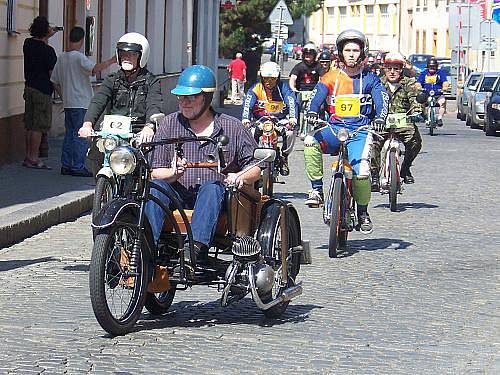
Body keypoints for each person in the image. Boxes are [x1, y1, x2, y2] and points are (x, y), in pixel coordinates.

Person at [144, 65, 261, 271]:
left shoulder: (232, 127)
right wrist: (174, 173)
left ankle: (194, 250)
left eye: (191, 98)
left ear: (207, 99)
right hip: (178, 194)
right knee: (155, 187)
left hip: (219, 199)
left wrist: (238, 175)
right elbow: (156, 171)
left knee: (212, 186)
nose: (184, 103)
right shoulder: (169, 124)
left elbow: (256, 167)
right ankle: (146, 250)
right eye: (181, 98)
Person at [303, 29, 389, 234]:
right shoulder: (330, 77)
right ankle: (316, 190)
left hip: (361, 131)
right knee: (309, 141)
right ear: (340, 53)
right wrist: (312, 112)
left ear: (362, 52)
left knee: (362, 173)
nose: (351, 54)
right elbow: (316, 98)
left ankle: (362, 212)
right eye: (347, 50)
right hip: (334, 129)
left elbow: (382, 100)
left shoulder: (370, 79)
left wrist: (379, 118)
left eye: (355, 50)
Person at [78, 32, 163, 175]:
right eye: (123, 54)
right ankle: (102, 186)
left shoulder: (151, 82)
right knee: (95, 152)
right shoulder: (112, 80)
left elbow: (154, 104)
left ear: (141, 57)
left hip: (138, 132)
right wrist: (87, 123)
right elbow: (98, 101)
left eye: (132, 54)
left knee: (148, 165)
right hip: (113, 133)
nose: (127, 58)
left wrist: (149, 126)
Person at [51, 27, 116, 177]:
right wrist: (112, 61)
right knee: (80, 136)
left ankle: (66, 165)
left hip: (69, 103)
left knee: (69, 135)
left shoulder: (62, 57)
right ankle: (78, 166)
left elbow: (54, 81)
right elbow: (94, 69)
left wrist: (63, 96)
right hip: (81, 102)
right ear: (81, 40)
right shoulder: (78, 57)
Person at [371, 52, 423, 190]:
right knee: (373, 143)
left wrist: (417, 109)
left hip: (403, 121)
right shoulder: (377, 83)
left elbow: (414, 99)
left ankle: (405, 169)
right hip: (382, 121)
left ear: (401, 70)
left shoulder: (408, 83)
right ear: (384, 69)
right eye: (389, 68)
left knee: (415, 141)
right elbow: (370, 100)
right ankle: (375, 175)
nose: (392, 72)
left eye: (396, 68)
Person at [241, 61, 298, 175]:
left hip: (279, 121)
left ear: (277, 78)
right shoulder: (255, 89)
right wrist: (246, 119)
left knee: (291, 133)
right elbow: (247, 104)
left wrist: (293, 119)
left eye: (272, 79)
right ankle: (251, 159)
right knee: (249, 133)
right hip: (260, 121)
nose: (269, 82)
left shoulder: (284, 88)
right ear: (262, 77)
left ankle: (284, 158)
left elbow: (292, 102)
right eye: (266, 78)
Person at [22, 16, 58, 170]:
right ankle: (34, 159)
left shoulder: (28, 44)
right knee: (39, 126)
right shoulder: (48, 51)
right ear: (46, 32)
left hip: (29, 87)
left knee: (30, 125)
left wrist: (46, 34)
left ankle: (29, 156)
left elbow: (38, 40)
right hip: (42, 90)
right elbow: (52, 74)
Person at [416, 57, 449, 126]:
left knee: (443, 102)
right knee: (421, 103)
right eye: (430, 67)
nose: (432, 68)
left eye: (434, 67)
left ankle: (439, 118)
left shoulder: (440, 73)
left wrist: (444, 87)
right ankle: (425, 116)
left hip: (438, 93)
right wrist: (419, 87)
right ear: (428, 67)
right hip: (427, 93)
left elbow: (445, 82)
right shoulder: (424, 73)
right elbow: (418, 82)